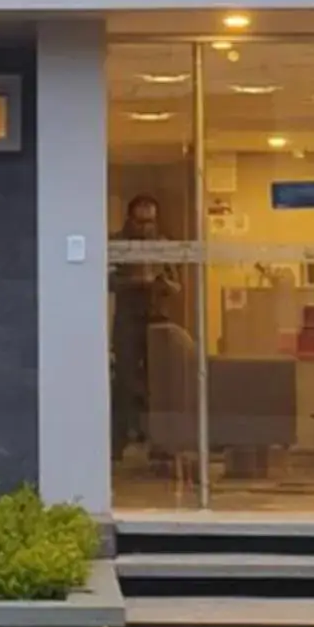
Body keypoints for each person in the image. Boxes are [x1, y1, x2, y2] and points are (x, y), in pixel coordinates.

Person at [110, 192, 185, 458]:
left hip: (158, 316)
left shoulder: (163, 245)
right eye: (140, 222)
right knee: (126, 380)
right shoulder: (116, 244)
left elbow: (177, 285)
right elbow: (106, 281)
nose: (145, 228)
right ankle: (118, 442)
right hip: (128, 318)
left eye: (150, 222)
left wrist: (161, 284)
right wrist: (135, 282)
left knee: (161, 382)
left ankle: (161, 445)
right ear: (130, 219)